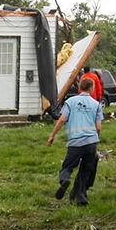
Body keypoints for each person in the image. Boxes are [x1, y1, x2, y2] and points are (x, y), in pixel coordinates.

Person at [47, 76, 105, 205]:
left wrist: (52, 135)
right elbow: (98, 127)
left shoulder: (71, 101)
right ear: (91, 89)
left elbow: (62, 119)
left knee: (68, 166)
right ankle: (80, 197)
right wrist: (96, 140)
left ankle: (65, 179)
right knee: (85, 170)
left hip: (75, 142)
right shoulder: (96, 104)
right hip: (91, 142)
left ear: (79, 88)